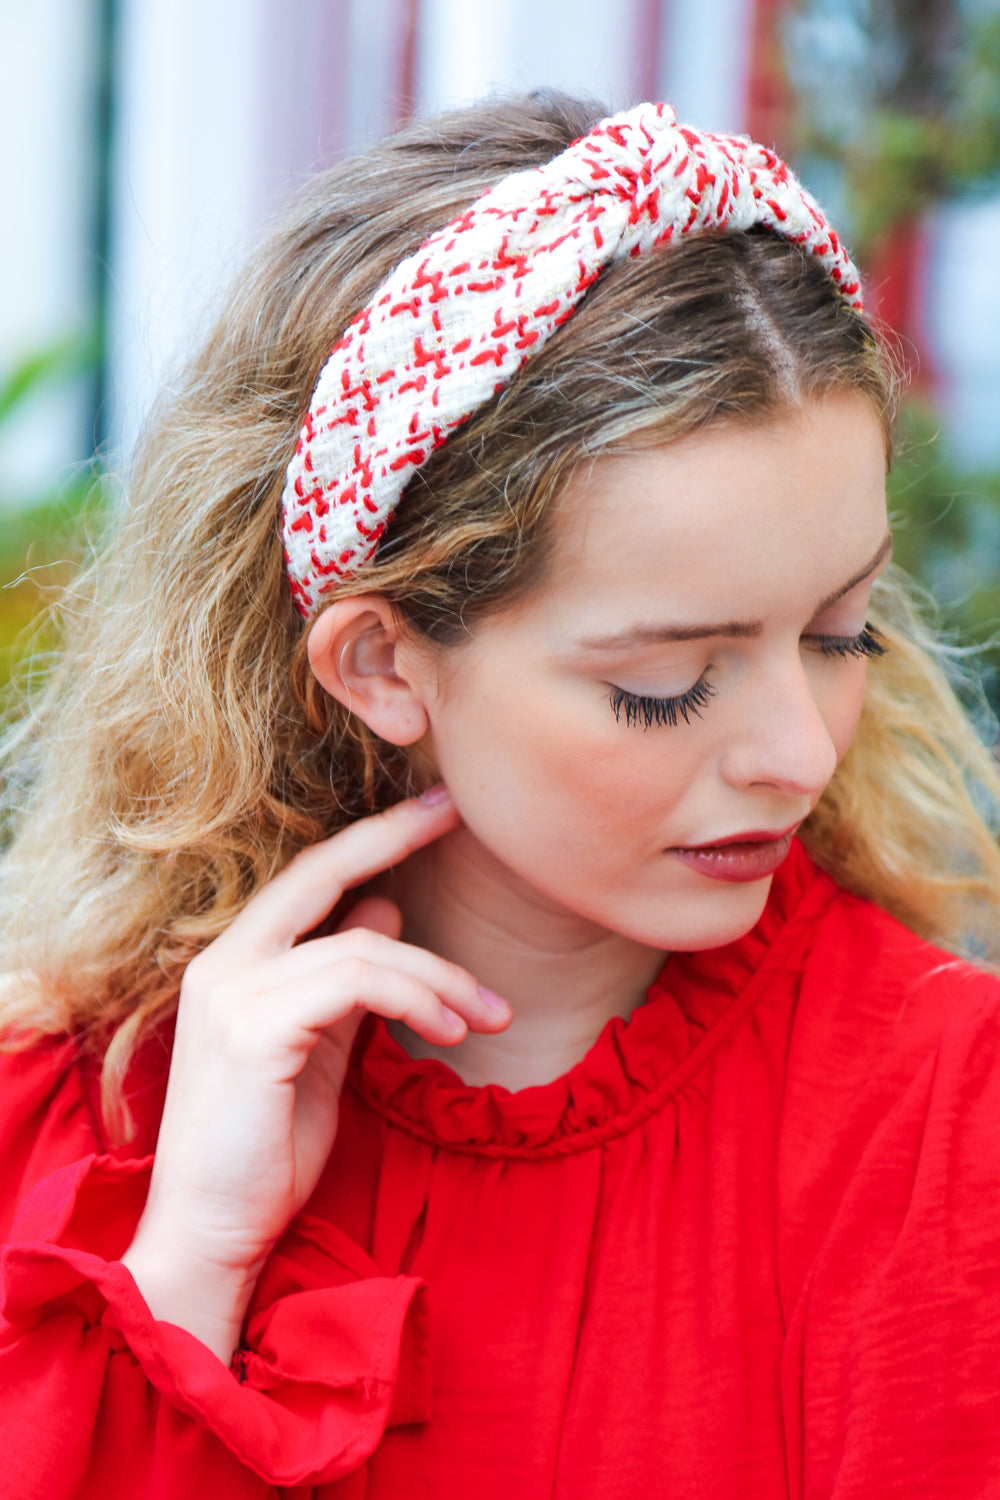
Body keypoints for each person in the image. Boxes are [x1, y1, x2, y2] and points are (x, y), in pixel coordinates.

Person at [1, 90, 1000, 1500]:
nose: (801, 748)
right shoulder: (72, 1129)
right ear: (383, 664)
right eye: (667, 680)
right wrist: (188, 1273)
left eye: (841, 632)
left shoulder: (947, 1129)